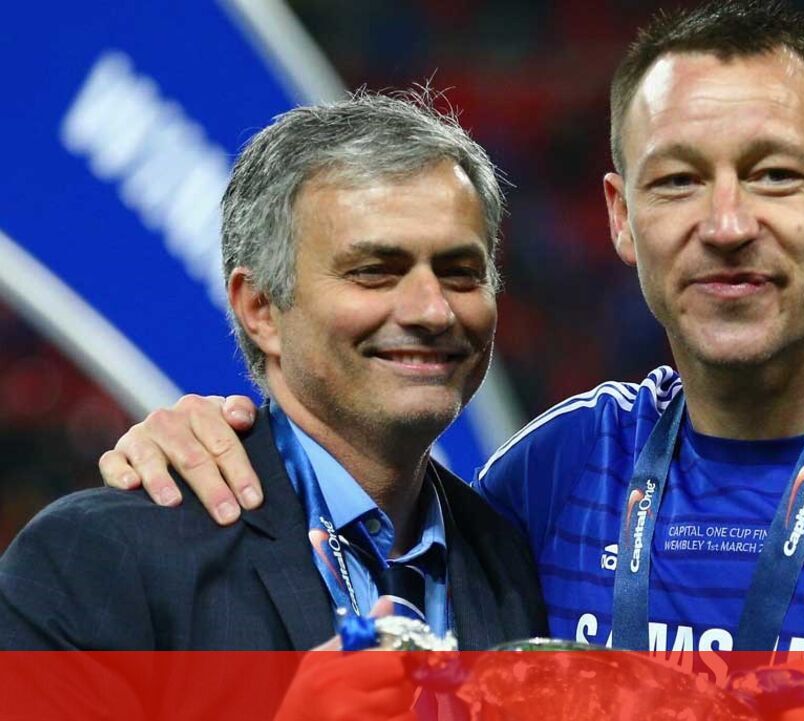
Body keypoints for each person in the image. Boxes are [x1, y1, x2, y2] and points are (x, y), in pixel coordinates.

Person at [94, 0, 804, 714]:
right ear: (619, 215)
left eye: (776, 175)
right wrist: (214, 432)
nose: (728, 224)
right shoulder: (549, 474)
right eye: (677, 180)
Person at [0, 92, 547, 650]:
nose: (433, 311)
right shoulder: (103, 557)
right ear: (260, 308)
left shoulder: (522, 562)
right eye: (374, 272)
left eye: (461, 273)